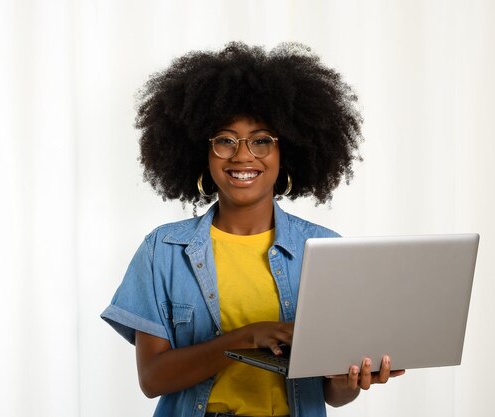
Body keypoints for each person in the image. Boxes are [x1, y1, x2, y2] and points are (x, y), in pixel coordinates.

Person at [101, 42, 404, 417]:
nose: (243, 155)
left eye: (262, 140)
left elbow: (332, 394)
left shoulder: (325, 250)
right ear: (202, 153)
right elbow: (152, 378)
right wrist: (245, 338)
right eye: (225, 140)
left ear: (287, 152)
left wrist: (349, 379)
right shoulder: (163, 249)